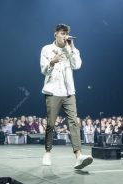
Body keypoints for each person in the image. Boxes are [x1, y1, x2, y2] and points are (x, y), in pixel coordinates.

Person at [40, 23, 93, 169]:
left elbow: (77, 65)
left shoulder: (71, 49)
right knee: (51, 124)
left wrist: (72, 48)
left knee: (73, 123)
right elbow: (43, 70)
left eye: (66, 33)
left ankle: (78, 156)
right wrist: (52, 61)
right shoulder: (46, 49)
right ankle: (48, 152)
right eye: (62, 33)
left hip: (69, 92)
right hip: (53, 91)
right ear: (55, 34)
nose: (64, 36)